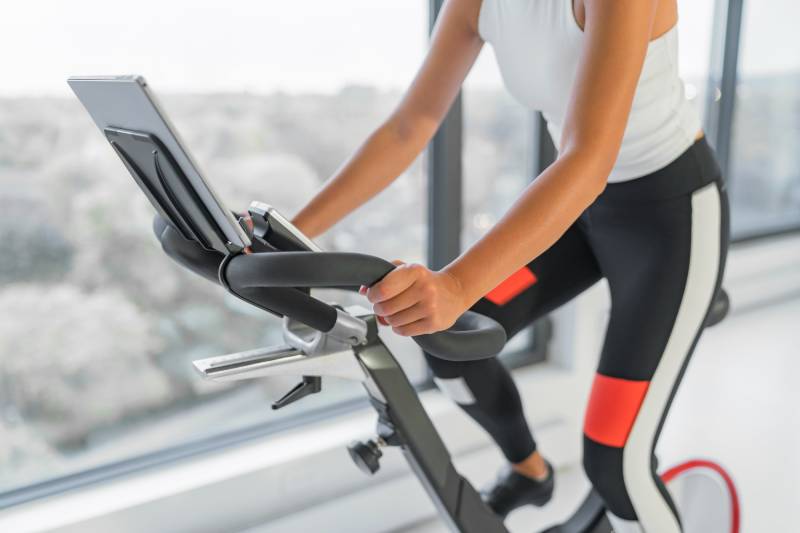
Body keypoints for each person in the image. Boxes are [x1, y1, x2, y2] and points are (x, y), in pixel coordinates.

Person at [290, 1, 729, 531]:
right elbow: (410, 125)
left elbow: (589, 155)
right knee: (453, 345)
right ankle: (530, 472)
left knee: (614, 462)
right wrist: (291, 236)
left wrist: (455, 283)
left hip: (669, 221)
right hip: (582, 213)